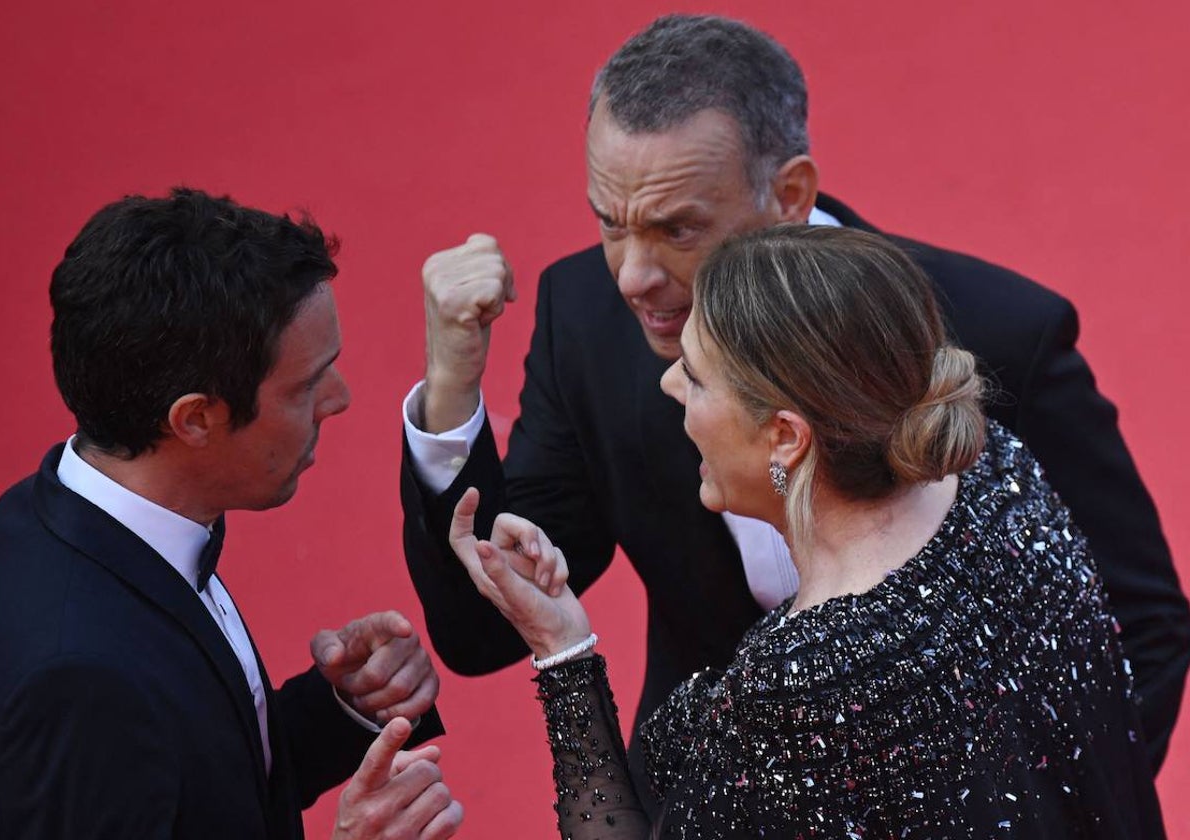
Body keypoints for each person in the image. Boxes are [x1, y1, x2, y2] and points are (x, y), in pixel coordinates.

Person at [400, 13, 1189, 802]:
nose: (634, 277)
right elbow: (482, 630)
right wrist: (450, 391)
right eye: (610, 223)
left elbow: (1143, 627)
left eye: (678, 228)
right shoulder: (585, 322)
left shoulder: (998, 332)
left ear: (789, 194)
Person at [449, 224, 1166, 838]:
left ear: (786, 436)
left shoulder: (800, 686)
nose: (668, 387)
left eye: (694, 378)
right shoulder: (1000, 473)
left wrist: (563, 653)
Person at [0, 188, 462, 840]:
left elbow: (188, 783)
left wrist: (346, 708)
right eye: (304, 386)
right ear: (195, 419)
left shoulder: (80, 522)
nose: (341, 399)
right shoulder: (78, 684)